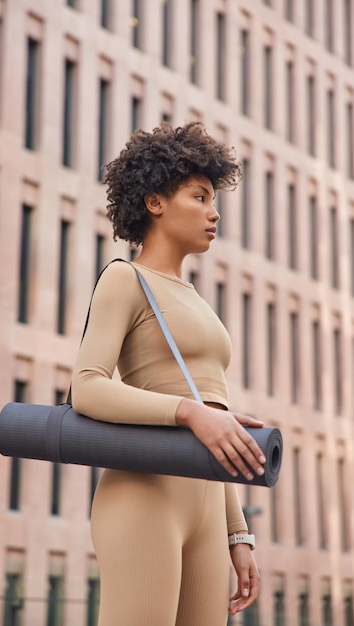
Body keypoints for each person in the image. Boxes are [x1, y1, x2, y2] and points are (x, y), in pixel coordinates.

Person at [72, 121, 265, 626]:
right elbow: (87, 387)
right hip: (145, 495)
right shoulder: (124, 278)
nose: (213, 212)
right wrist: (186, 412)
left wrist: (237, 534)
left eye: (213, 199)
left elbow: (218, 425)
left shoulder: (198, 300)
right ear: (155, 203)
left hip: (205, 504)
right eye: (199, 197)